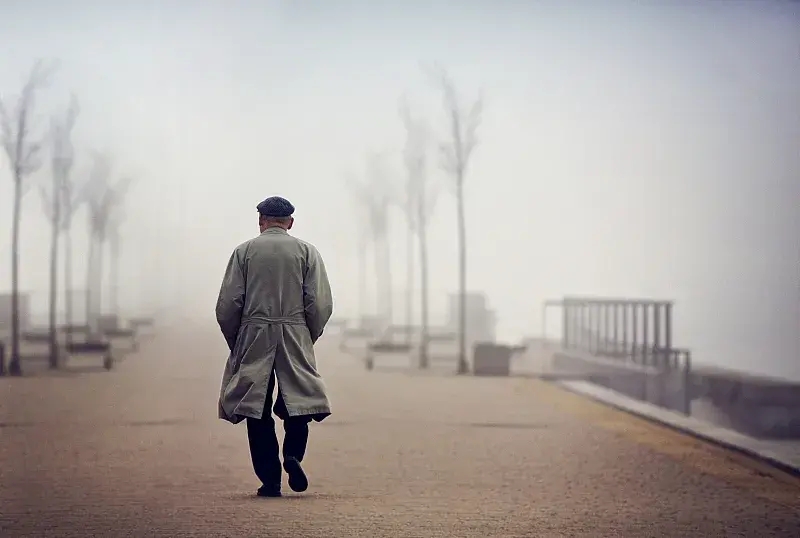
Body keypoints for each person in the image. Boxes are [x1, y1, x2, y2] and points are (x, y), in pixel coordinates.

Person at [216, 196, 334, 498]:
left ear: (261, 221)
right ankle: (293, 454)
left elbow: (228, 304)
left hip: (254, 333)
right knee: (300, 398)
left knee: (255, 406)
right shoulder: (307, 252)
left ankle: (270, 480)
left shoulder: (244, 252)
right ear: (290, 222)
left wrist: (237, 340)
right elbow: (319, 303)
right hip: (295, 330)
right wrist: (308, 335)